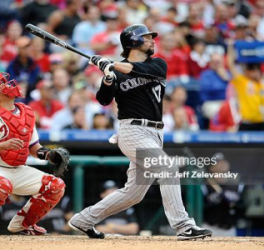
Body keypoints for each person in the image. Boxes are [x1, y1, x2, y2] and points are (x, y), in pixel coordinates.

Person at [68, 24, 212, 240]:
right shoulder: (116, 70)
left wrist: (111, 63)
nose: (153, 40)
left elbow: (140, 70)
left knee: (133, 194)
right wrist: (108, 77)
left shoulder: (157, 64)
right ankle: (183, 226)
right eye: (146, 37)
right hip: (132, 131)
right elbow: (104, 99)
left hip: (155, 133)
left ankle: (83, 220)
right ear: (133, 41)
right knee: (168, 169)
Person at [0, 72, 70, 236]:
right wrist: (3, 145)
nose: (9, 85)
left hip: (17, 169)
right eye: (2, 85)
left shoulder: (27, 114)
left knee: (55, 186)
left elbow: (34, 148)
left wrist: (49, 155)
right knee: (1, 186)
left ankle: (23, 224)